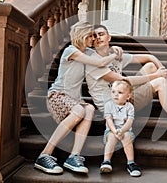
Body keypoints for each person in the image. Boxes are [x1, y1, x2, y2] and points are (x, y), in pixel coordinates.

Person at [85, 24, 167, 148]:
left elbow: (148, 57)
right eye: (94, 36)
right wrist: (158, 76)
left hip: (123, 95)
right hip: (114, 105)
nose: (98, 38)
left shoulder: (114, 56)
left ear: (109, 37)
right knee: (160, 82)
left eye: (101, 34)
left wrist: (161, 69)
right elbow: (124, 79)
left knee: (151, 67)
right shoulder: (93, 61)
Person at [34, 21, 121, 175]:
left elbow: (101, 54)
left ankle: (74, 156)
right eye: (90, 36)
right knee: (80, 111)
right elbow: (100, 62)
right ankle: (44, 155)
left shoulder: (87, 52)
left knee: (89, 109)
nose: (93, 40)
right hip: (58, 96)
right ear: (82, 36)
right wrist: (115, 55)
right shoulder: (71, 51)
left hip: (74, 101)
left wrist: (113, 48)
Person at [100, 80, 142, 177]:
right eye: (113, 92)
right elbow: (109, 120)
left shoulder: (130, 107)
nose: (115, 95)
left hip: (125, 130)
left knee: (126, 137)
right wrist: (115, 131)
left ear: (128, 96)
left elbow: (129, 122)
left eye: (120, 92)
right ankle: (106, 161)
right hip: (111, 130)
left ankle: (131, 163)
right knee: (111, 137)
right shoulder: (109, 105)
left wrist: (122, 130)